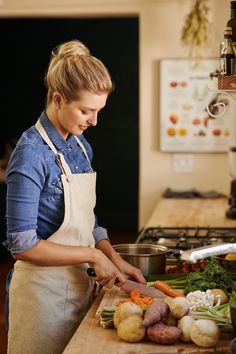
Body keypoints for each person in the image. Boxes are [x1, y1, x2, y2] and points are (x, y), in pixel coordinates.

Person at [3, 39, 146, 354]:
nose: (94, 121)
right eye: (86, 110)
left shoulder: (81, 146)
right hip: (42, 298)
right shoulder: (30, 154)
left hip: (80, 287)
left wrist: (114, 258)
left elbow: (87, 220)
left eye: (98, 111)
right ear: (57, 99)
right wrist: (93, 256)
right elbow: (22, 244)